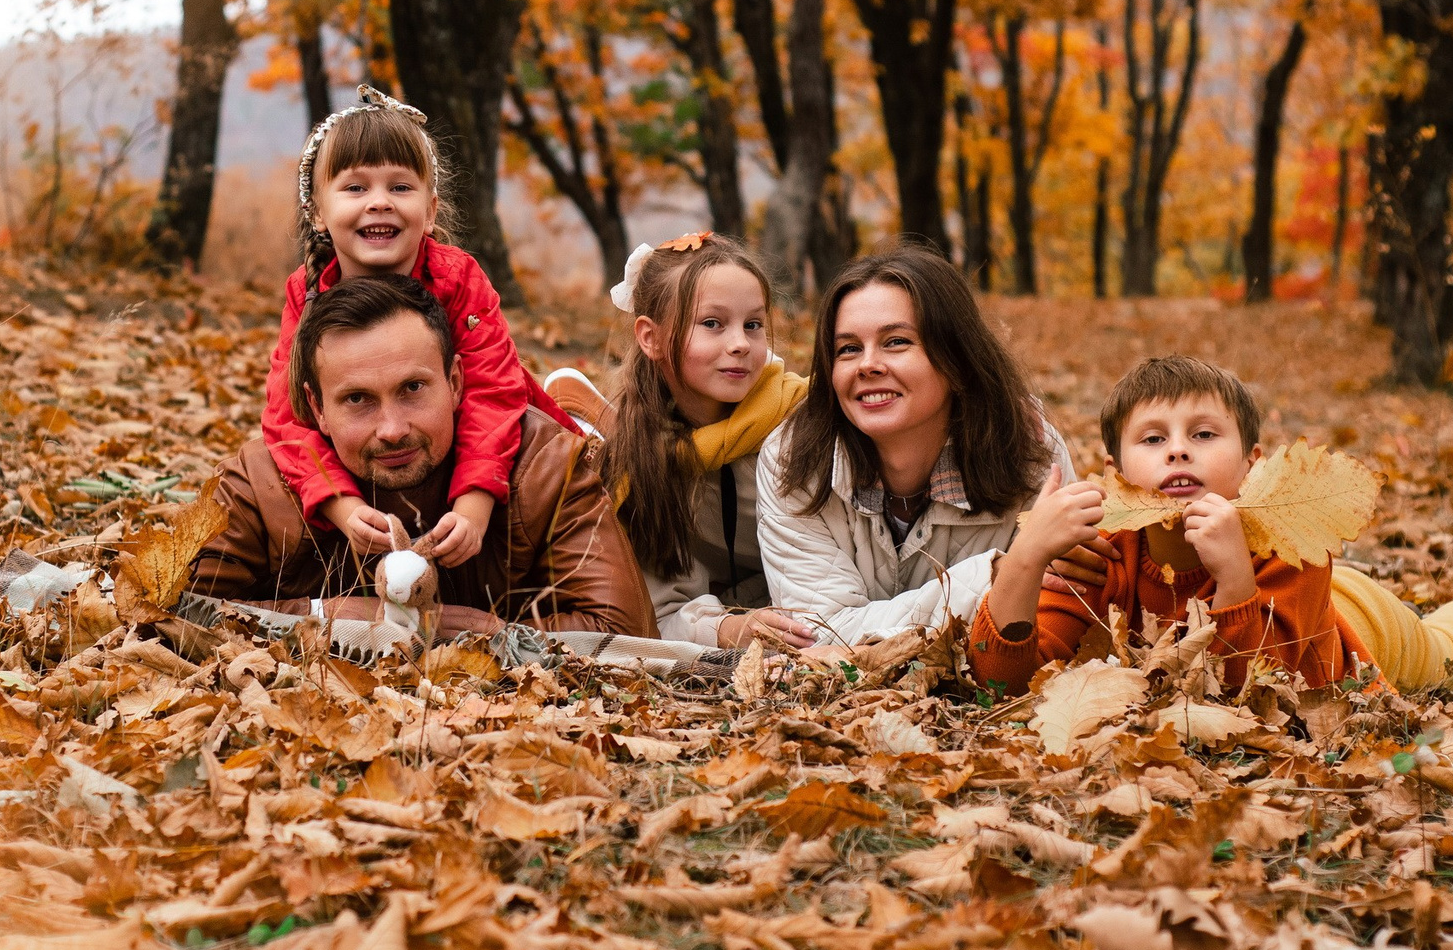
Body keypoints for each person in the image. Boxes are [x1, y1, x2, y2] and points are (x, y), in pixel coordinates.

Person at [967, 354, 1453, 694]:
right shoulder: (1100, 552)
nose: (1178, 451)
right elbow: (1002, 683)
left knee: (1445, 651)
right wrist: (1024, 560)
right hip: (1304, 606)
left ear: (1251, 464)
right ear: (1116, 470)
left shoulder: (1290, 547)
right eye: (1153, 439)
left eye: (1203, 435)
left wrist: (1237, 580)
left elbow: (1268, 693)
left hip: (1354, 628)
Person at [200, 274, 656, 637]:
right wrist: (324, 614)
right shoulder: (263, 484)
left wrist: (486, 632)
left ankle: (592, 421)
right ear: (317, 408)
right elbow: (178, 611)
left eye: (413, 389)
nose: (393, 429)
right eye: (357, 399)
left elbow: (628, 631)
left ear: (455, 383)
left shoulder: (545, 469)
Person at [258, 85, 575, 569]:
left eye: (400, 187)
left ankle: (587, 418)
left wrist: (473, 506)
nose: (379, 202)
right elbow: (288, 415)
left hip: (468, 450)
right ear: (317, 212)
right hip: (376, 455)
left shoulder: (457, 278)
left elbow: (492, 393)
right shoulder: (307, 293)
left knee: (587, 475)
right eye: (356, 188)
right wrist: (342, 506)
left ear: (429, 211)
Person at [756, 244, 1083, 643]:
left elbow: (1051, 618)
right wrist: (1003, 573)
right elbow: (820, 632)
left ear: (957, 361)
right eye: (849, 349)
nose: (867, 364)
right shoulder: (793, 461)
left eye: (896, 341)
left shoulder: (1027, 451)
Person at [573, 233, 819, 650]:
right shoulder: (644, 459)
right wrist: (723, 629)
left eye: (753, 325)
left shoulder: (800, 421)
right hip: (740, 613)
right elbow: (658, 613)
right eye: (712, 324)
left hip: (817, 603)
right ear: (650, 338)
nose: (740, 344)